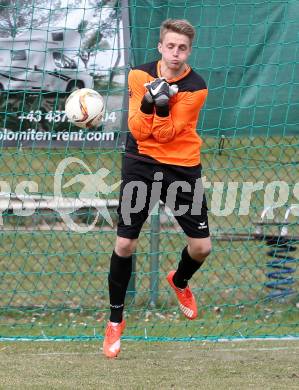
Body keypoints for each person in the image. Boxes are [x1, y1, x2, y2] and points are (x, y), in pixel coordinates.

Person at [103, 18, 212, 358]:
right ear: (160, 47)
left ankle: (179, 280)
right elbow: (138, 129)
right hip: (142, 163)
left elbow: (165, 134)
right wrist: (151, 101)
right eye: (170, 46)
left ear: (189, 51)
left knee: (202, 248)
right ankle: (115, 321)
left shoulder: (196, 87)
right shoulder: (139, 75)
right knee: (124, 243)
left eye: (182, 48)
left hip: (182, 167)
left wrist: (162, 104)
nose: (175, 53)